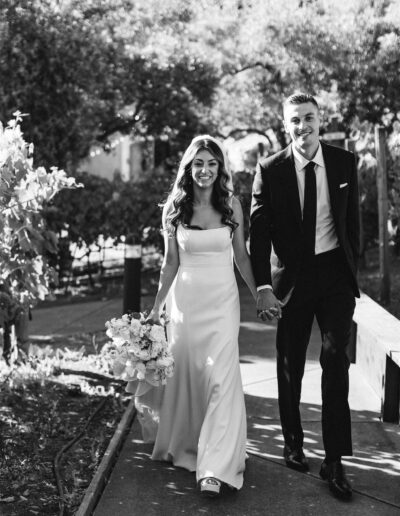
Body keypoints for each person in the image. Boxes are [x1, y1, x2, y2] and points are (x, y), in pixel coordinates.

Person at [250, 93, 360, 501]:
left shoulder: (345, 162)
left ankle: (335, 459)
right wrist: (263, 288)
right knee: (290, 363)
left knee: (335, 359)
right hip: (292, 281)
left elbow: (352, 225)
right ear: (285, 125)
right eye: (294, 120)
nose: (303, 126)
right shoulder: (269, 169)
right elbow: (258, 236)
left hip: (334, 277)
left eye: (309, 118)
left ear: (320, 119)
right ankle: (293, 441)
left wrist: (353, 272)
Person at [141, 135, 257, 496]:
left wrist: (259, 294)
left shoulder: (231, 206)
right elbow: (169, 263)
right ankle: (194, 445)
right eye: (198, 164)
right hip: (186, 305)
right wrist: (155, 309)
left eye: (211, 163)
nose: (205, 170)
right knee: (191, 376)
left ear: (219, 168)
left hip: (223, 303)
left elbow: (241, 257)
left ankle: (214, 468)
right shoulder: (174, 209)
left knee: (221, 379)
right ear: (188, 169)